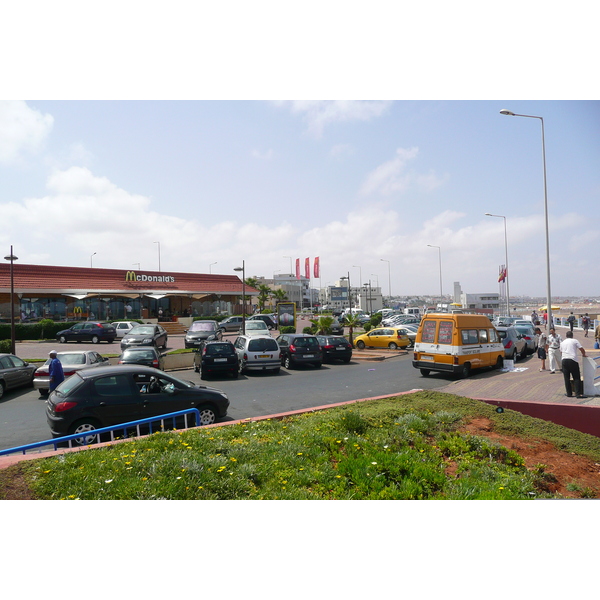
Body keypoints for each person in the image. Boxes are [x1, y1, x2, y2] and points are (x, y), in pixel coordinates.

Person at [559, 331, 586, 398]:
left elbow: (561, 352)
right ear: (572, 336)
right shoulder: (574, 341)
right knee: (576, 377)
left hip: (564, 360)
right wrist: (584, 354)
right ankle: (578, 394)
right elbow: (581, 349)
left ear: (566, 336)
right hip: (572, 360)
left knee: (566, 378)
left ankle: (569, 393)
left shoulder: (562, 342)